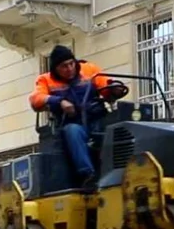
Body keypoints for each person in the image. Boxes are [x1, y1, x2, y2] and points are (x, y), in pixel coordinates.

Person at [29, 45, 128, 186]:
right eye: (64, 66)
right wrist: (59, 101)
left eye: (71, 64)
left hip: (97, 119)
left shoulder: (89, 70)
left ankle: (121, 170)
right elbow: (36, 99)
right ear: (55, 68)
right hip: (73, 123)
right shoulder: (46, 80)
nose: (69, 69)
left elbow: (105, 85)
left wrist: (114, 90)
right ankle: (87, 175)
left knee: (119, 127)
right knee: (72, 131)